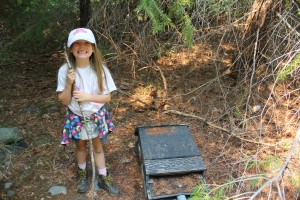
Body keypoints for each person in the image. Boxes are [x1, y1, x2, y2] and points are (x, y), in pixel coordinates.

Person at [56, 28, 120, 196]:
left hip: (96, 116)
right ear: (71, 48)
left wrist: (87, 97)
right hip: (76, 117)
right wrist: (69, 83)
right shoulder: (65, 71)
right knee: (80, 146)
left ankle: (103, 176)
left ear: (93, 47)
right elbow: (63, 101)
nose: (82, 47)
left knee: (98, 147)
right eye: (77, 43)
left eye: (86, 43)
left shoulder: (100, 69)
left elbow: (107, 98)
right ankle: (83, 174)